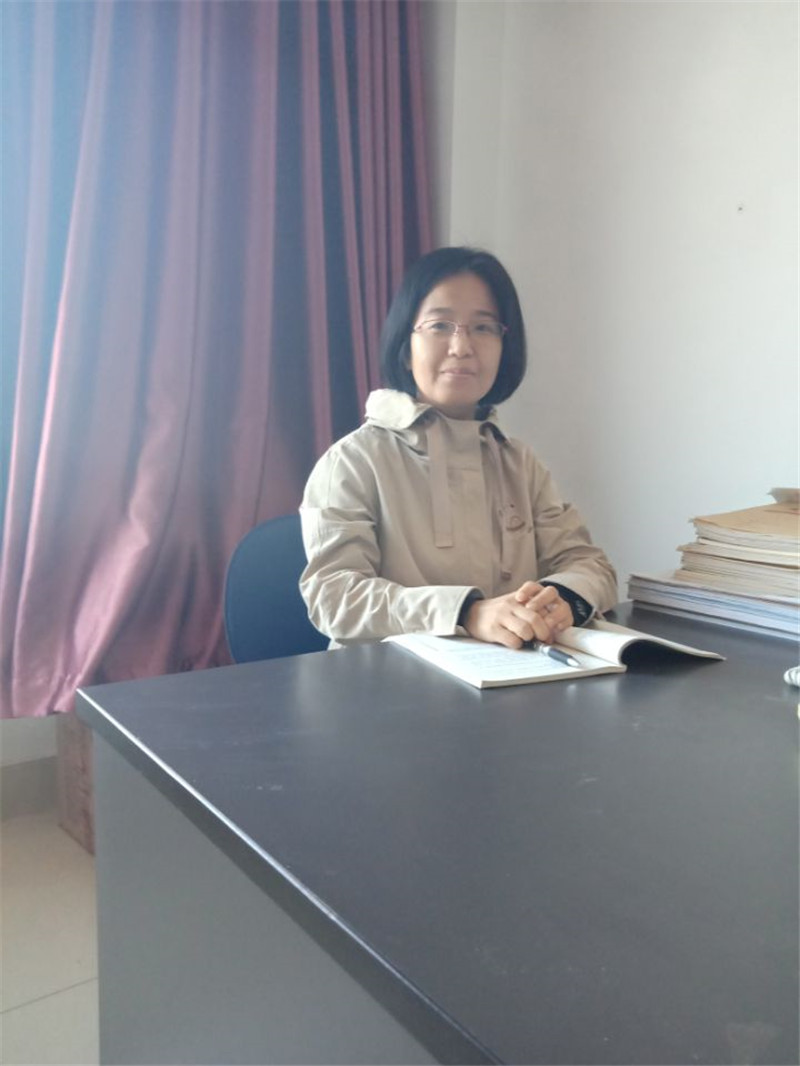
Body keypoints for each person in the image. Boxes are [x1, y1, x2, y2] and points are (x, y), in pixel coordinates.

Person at [300, 246, 617, 649]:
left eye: (483, 328)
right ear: (406, 346)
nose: (462, 346)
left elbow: (590, 565)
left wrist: (562, 600)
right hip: (389, 680)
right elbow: (333, 597)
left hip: (513, 676)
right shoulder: (353, 461)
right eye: (440, 325)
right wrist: (466, 612)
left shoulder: (519, 463)